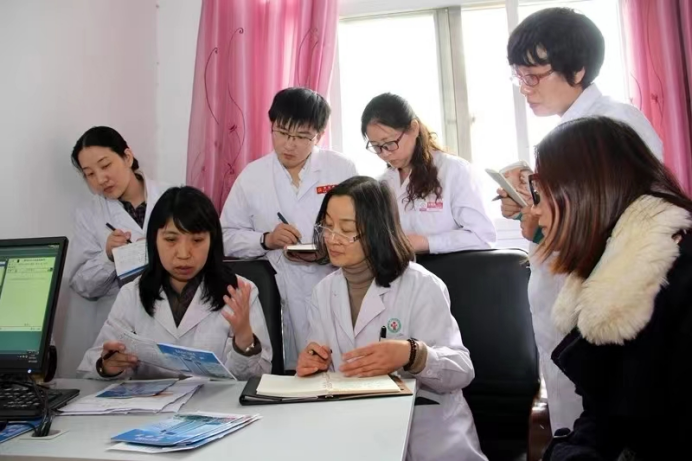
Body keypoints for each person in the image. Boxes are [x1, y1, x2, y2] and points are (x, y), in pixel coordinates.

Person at [499, 7, 664, 433]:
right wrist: (530, 205)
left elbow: (625, 228)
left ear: (577, 70)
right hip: (566, 310)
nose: (525, 88)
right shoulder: (569, 130)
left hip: (603, 313)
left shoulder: (614, 126)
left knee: (603, 430)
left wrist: (541, 224)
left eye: (534, 76)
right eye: (519, 76)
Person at [530, 117, 692, 460]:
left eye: (541, 196)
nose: (535, 212)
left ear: (583, 191)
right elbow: (607, 416)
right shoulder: (615, 276)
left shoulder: (681, 279)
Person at [298, 176, 485, 461]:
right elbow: (323, 367)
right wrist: (312, 365)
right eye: (327, 226)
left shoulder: (422, 285)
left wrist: (413, 355)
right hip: (354, 429)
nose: (332, 238)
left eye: (347, 229)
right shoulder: (323, 291)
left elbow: (462, 370)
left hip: (428, 433)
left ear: (376, 231)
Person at [221, 87, 358, 369]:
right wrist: (266, 240)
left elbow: (365, 228)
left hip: (339, 285)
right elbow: (225, 236)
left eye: (301, 137)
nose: (289, 145)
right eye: (282, 132)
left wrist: (330, 248)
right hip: (285, 293)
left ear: (319, 134)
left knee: (348, 368)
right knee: (300, 370)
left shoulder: (341, 169)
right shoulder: (253, 176)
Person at [79, 187, 272, 380]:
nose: (184, 254)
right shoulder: (132, 293)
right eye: (171, 239)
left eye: (197, 240)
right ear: (154, 241)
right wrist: (108, 367)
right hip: (149, 400)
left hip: (215, 400)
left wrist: (244, 342)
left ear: (212, 242)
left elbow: (259, 378)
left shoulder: (240, 292)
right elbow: (91, 366)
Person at [362, 93, 495, 254]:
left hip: (454, 268)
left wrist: (426, 242)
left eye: (389, 143)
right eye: (376, 146)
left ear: (414, 128)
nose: (385, 154)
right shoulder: (383, 183)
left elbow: (482, 236)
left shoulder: (454, 171)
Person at [70, 127, 169, 318]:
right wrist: (108, 257)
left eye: (105, 165)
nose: (100, 179)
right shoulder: (89, 215)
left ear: (127, 157)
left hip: (174, 314)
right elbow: (82, 286)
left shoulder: (171, 196)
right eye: (90, 174)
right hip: (122, 320)